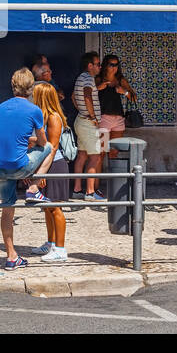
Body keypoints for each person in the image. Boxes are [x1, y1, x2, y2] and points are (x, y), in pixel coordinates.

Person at [0, 68, 55, 269]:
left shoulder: (0, 107)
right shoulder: (34, 110)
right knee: (50, 147)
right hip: (19, 166)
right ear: (31, 87)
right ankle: (34, 188)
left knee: (7, 208)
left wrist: (26, 140)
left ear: (13, 85)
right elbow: (43, 142)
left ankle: (11, 256)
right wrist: (33, 141)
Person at [30, 81, 70, 262]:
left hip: (54, 165)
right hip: (44, 164)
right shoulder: (42, 117)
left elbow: (52, 148)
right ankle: (50, 242)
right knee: (47, 208)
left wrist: (41, 173)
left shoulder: (54, 118)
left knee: (55, 208)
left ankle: (60, 249)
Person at [71, 51, 105, 201]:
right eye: (98, 64)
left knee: (82, 155)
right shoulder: (88, 79)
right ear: (90, 65)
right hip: (88, 123)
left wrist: (82, 111)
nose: (100, 67)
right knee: (95, 157)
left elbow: (73, 96)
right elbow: (86, 95)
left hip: (80, 120)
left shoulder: (82, 78)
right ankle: (90, 192)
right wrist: (92, 116)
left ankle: (77, 190)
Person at [97, 54, 137, 160]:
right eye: (111, 65)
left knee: (114, 152)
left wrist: (124, 92)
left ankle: (114, 177)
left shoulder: (120, 80)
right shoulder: (99, 79)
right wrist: (98, 88)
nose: (114, 67)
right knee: (101, 152)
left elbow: (134, 98)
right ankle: (96, 177)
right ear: (105, 65)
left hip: (118, 120)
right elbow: (89, 94)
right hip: (103, 118)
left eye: (116, 65)